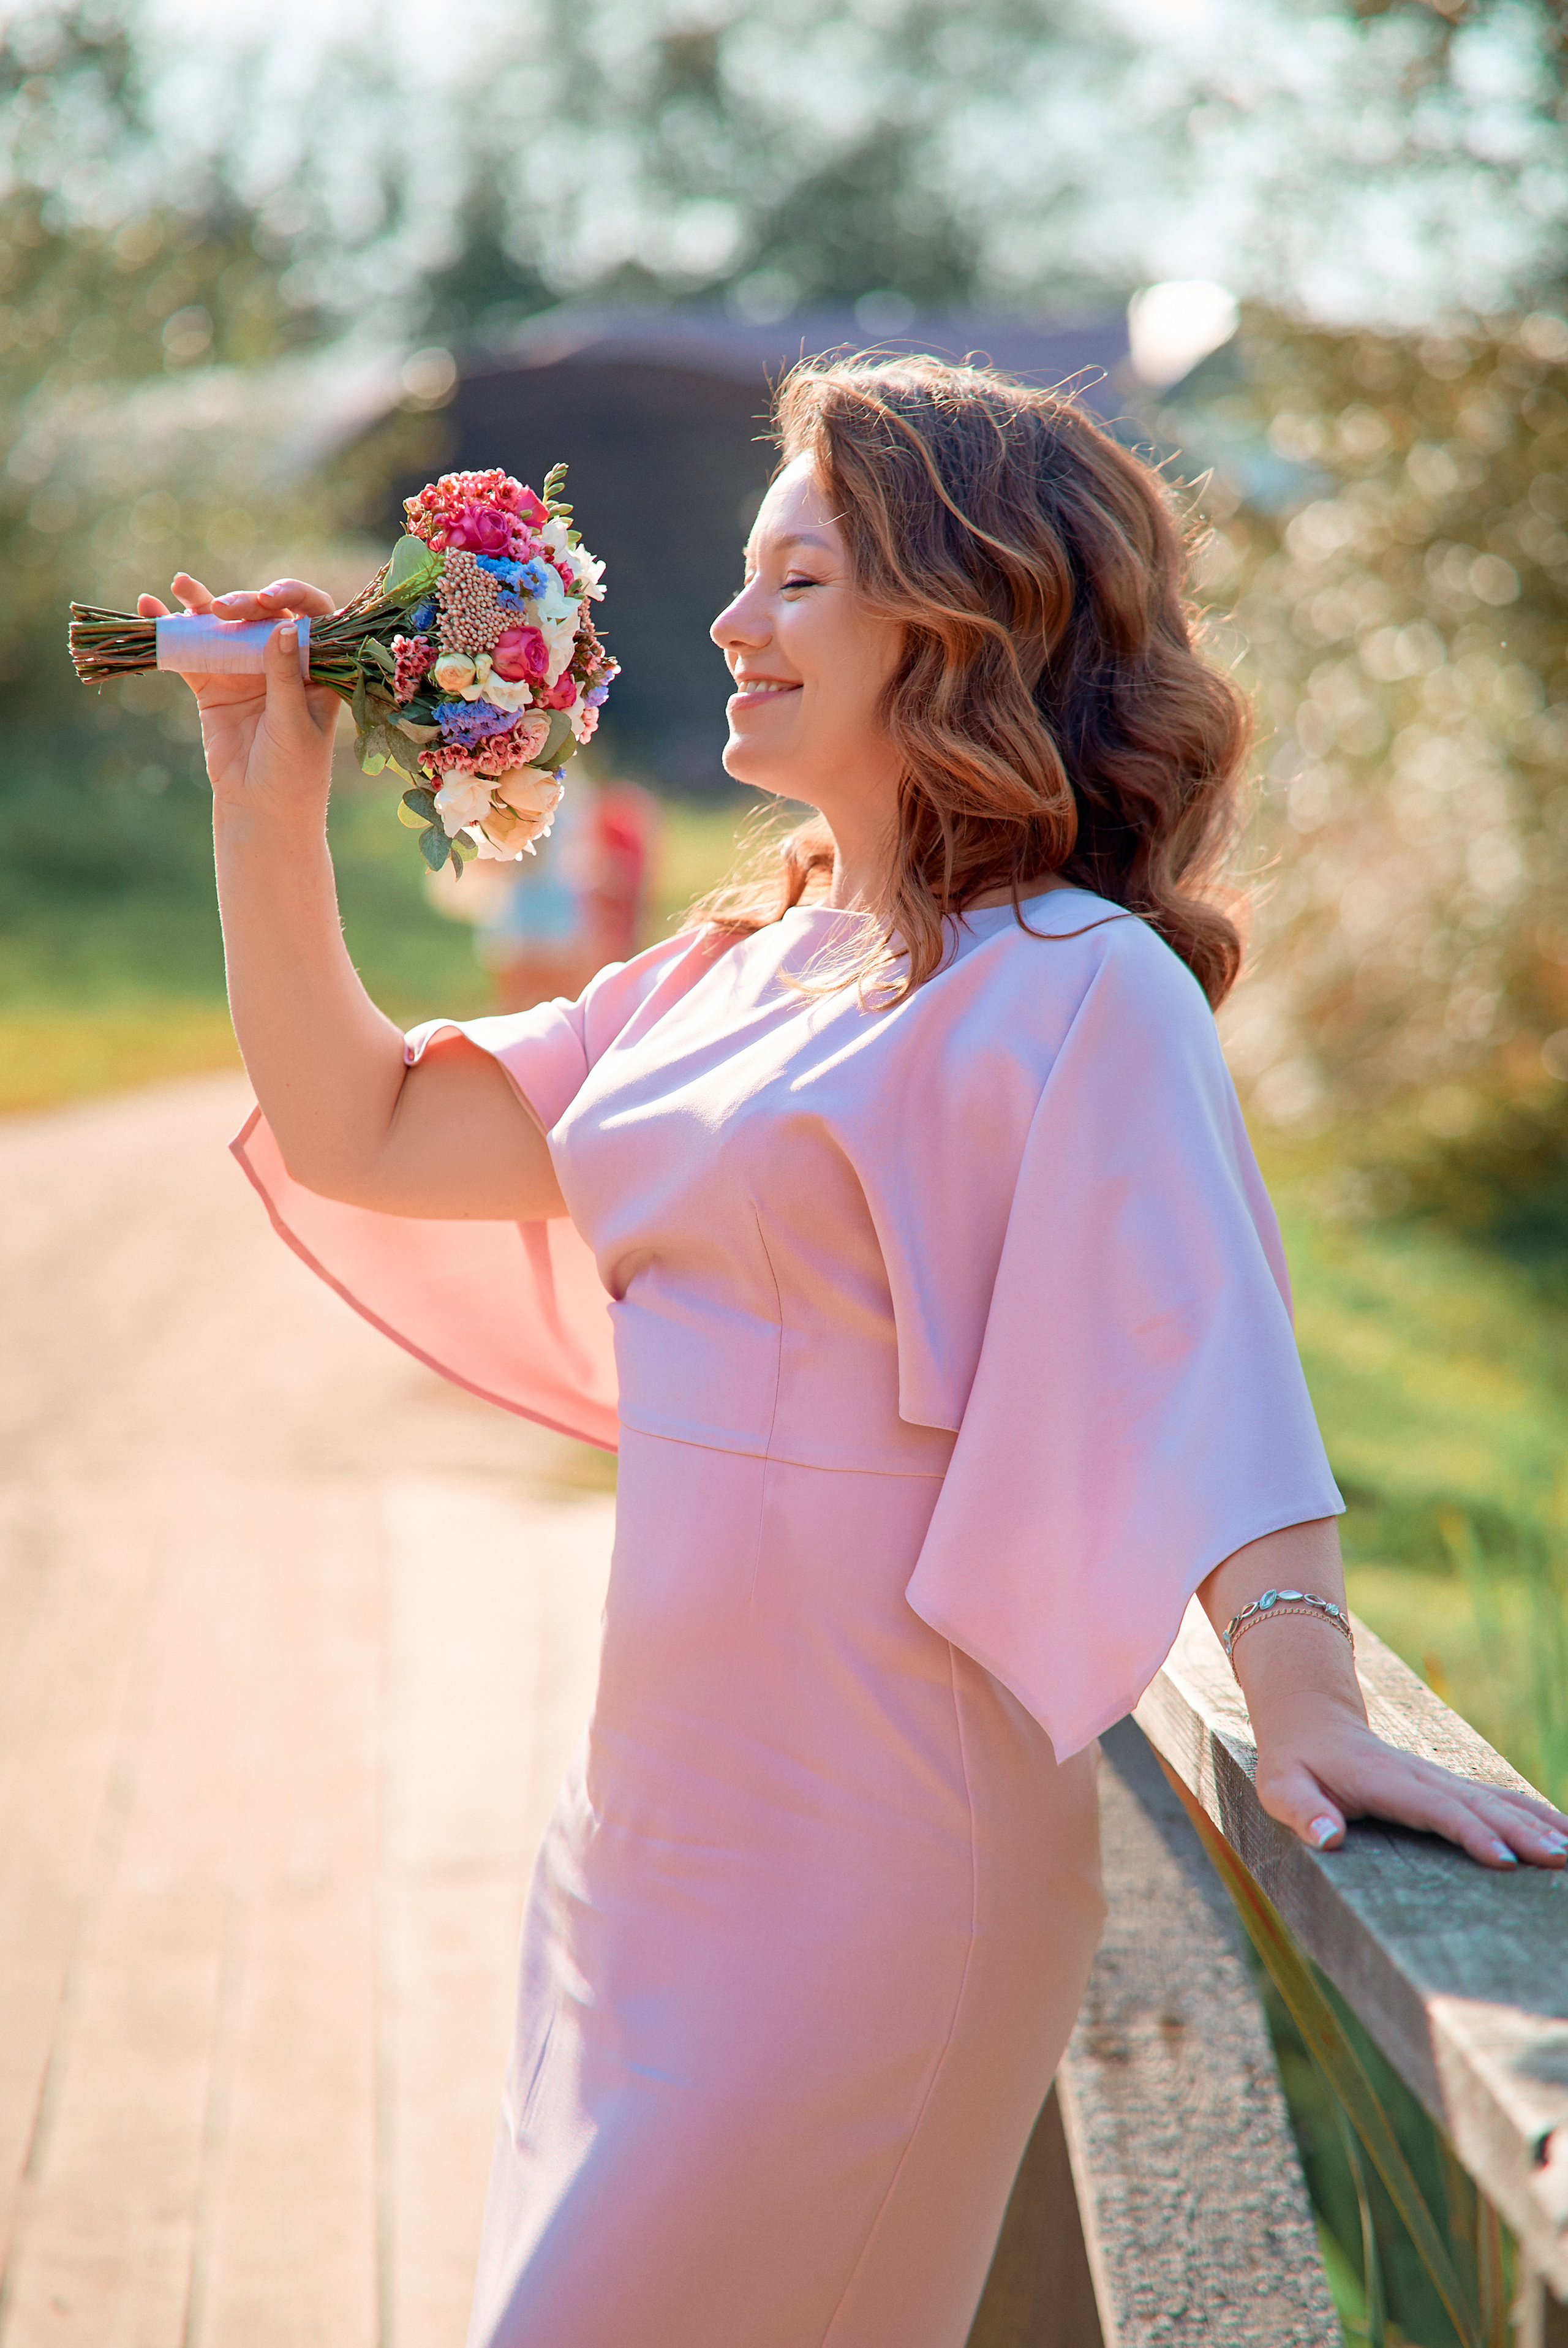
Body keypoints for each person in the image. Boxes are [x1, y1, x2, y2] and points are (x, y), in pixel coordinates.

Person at [139, 357, 1568, 2348]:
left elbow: (1210, 1366)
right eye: (748, 577)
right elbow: (362, 1128)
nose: (730, 624)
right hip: (642, 1850)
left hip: (877, 1872)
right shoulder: (738, 960)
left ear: (967, 615)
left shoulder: (1083, 987)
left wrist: (1307, 1696)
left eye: (798, 580)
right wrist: (259, 794)